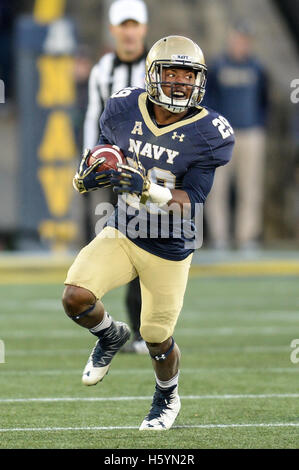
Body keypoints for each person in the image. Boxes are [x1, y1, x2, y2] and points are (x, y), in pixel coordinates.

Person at [62, 35, 235, 430]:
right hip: (123, 230)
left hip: (170, 245)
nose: (178, 82)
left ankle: (167, 397)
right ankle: (109, 335)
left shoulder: (209, 132)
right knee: (75, 297)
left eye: (187, 75)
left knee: (157, 338)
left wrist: (146, 188)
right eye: (170, 72)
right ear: (153, 74)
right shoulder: (125, 106)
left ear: (199, 81)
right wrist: (90, 171)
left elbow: (193, 197)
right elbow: (106, 148)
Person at [83, 0, 148, 353]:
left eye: (134, 24)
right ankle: (107, 328)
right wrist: (88, 160)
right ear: (113, 30)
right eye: (123, 25)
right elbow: (93, 118)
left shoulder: (157, 68)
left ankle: (141, 330)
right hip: (112, 175)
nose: (129, 31)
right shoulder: (103, 70)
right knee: (106, 246)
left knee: (146, 251)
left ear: (143, 28)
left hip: (150, 175)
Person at [204, 21, 269, 250]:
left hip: (251, 132)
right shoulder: (218, 66)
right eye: (238, 40)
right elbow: (208, 100)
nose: (241, 45)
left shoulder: (257, 68)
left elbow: (264, 100)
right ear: (231, 40)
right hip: (223, 135)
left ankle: (247, 236)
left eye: (245, 41)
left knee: (249, 187)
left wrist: (259, 124)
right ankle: (220, 236)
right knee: (218, 186)